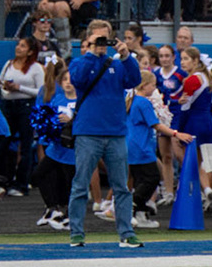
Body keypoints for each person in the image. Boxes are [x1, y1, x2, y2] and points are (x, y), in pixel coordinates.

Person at [63, 19, 144, 249]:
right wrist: (91, 52)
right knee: (80, 185)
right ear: (89, 39)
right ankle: (76, 233)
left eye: (104, 38)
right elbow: (78, 79)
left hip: (116, 132)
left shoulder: (118, 65)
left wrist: (126, 56)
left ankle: (126, 232)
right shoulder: (80, 62)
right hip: (88, 132)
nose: (101, 43)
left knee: (121, 187)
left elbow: (135, 80)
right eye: (97, 38)